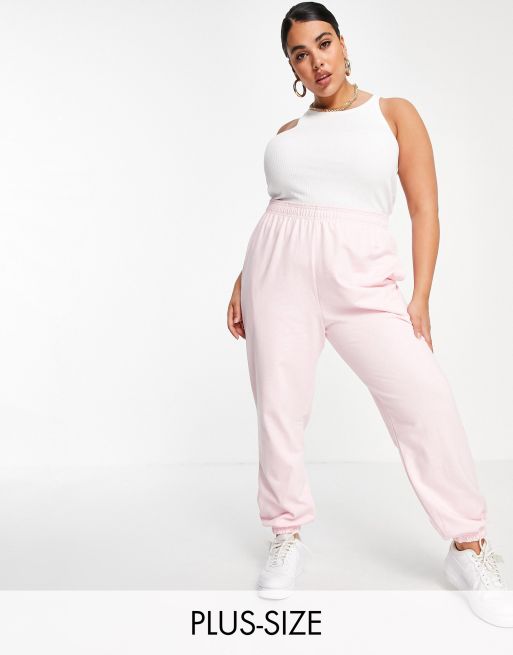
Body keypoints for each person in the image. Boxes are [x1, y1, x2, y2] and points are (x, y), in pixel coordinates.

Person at [226, 2, 512, 626]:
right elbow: (280, 208)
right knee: (279, 405)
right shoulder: (289, 132)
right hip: (276, 273)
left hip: (361, 277)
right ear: (292, 67)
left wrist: (420, 297)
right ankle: (286, 533)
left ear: (343, 43)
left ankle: (469, 546)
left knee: (424, 398)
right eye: (300, 54)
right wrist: (244, 277)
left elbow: (425, 208)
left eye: (323, 43)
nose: (315, 61)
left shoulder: (393, 113)